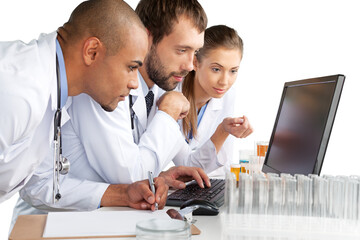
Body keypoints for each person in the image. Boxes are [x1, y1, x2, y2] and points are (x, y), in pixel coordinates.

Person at [9, 0, 210, 228]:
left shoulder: (155, 88)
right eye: (181, 50)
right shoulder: (98, 82)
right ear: (146, 37)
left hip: (86, 216)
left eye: (195, 52)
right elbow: (129, 174)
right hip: (48, 223)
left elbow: (45, 182)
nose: (191, 65)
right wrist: (167, 115)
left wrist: (152, 181)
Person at [172, 25, 254, 175]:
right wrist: (223, 131)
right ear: (196, 63)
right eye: (216, 69)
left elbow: (223, 165)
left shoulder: (227, 95)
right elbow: (186, 166)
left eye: (233, 71)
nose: (224, 81)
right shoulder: (171, 93)